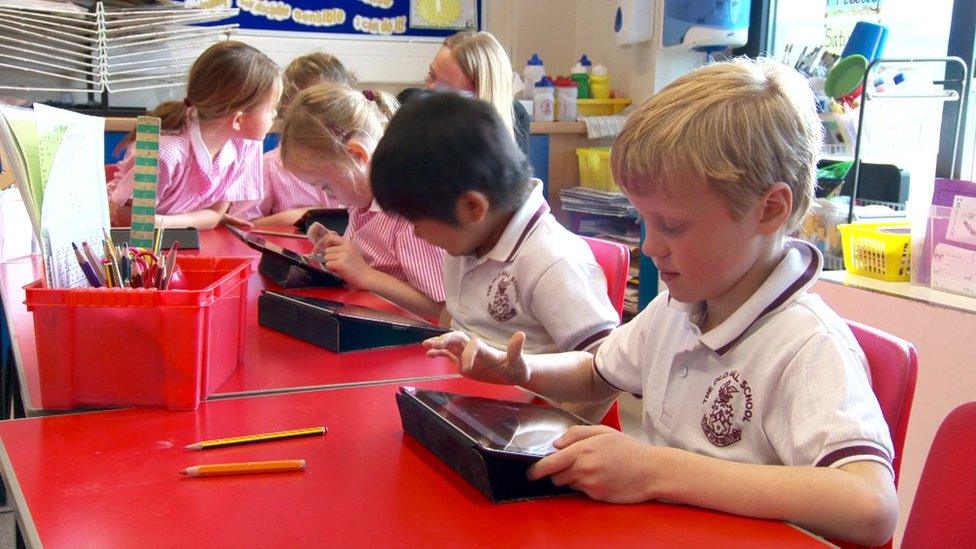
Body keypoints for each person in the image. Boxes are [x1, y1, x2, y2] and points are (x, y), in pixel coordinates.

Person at [423, 58, 898, 546]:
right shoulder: (680, 306)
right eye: (644, 221)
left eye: (671, 225)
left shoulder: (807, 345)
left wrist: (658, 469)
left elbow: (871, 506)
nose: (649, 246)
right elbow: (596, 371)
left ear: (769, 210)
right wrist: (520, 372)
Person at [370, 91, 618, 354]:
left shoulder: (554, 262)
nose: (415, 233)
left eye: (416, 221)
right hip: (456, 388)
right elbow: (453, 322)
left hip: (521, 395)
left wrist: (526, 377)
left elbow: (604, 374)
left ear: (472, 207)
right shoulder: (467, 242)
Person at [280, 84, 445, 320]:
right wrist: (338, 248)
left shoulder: (409, 212)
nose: (327, 197)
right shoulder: (362, 202)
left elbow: (442, 311)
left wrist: (366, 275)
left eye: (325, 186)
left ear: (357, 156)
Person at [109, 41, 280, 230]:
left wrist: (160, 223)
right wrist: (194, 221)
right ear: (238, 120)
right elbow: (124, 217)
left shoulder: (246, 145)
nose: (275, 114)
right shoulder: (163, 154)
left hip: (175, 242)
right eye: (271, 108)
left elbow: (216, 214)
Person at [233, 52, 356, 226]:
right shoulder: (269, 166)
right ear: (287, 108)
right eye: (314, 108)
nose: (328, 117)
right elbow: (240, 225)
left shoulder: (356, 162)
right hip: (289, 252)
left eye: (336, 106)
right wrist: (305, 216)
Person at [424, 30, 530, 155]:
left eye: (445, 90)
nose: (429, 91)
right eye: (431, 76)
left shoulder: (516, 121)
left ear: (480, 99)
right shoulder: (410, 121)